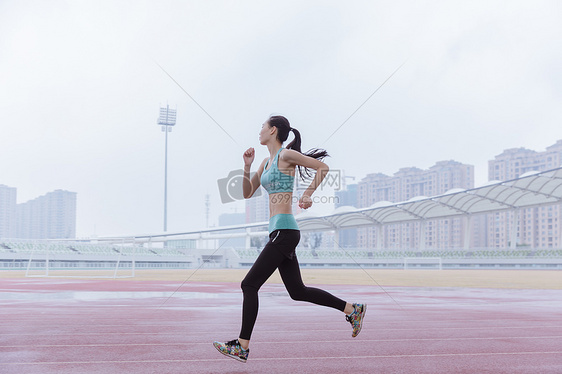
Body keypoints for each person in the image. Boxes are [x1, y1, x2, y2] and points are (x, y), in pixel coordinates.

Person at [213, 115, 366, 363]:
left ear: (273, 130)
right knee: (297, 291)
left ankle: (242, 345)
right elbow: (246, 192)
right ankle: (352, 309)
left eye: (262, 127)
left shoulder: (285, 156)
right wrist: (247, 166)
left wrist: (307, 194)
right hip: (277, 232)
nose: (259, 131)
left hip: (285, 230)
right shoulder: (265, 162)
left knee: (249, 285)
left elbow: (323, 168)